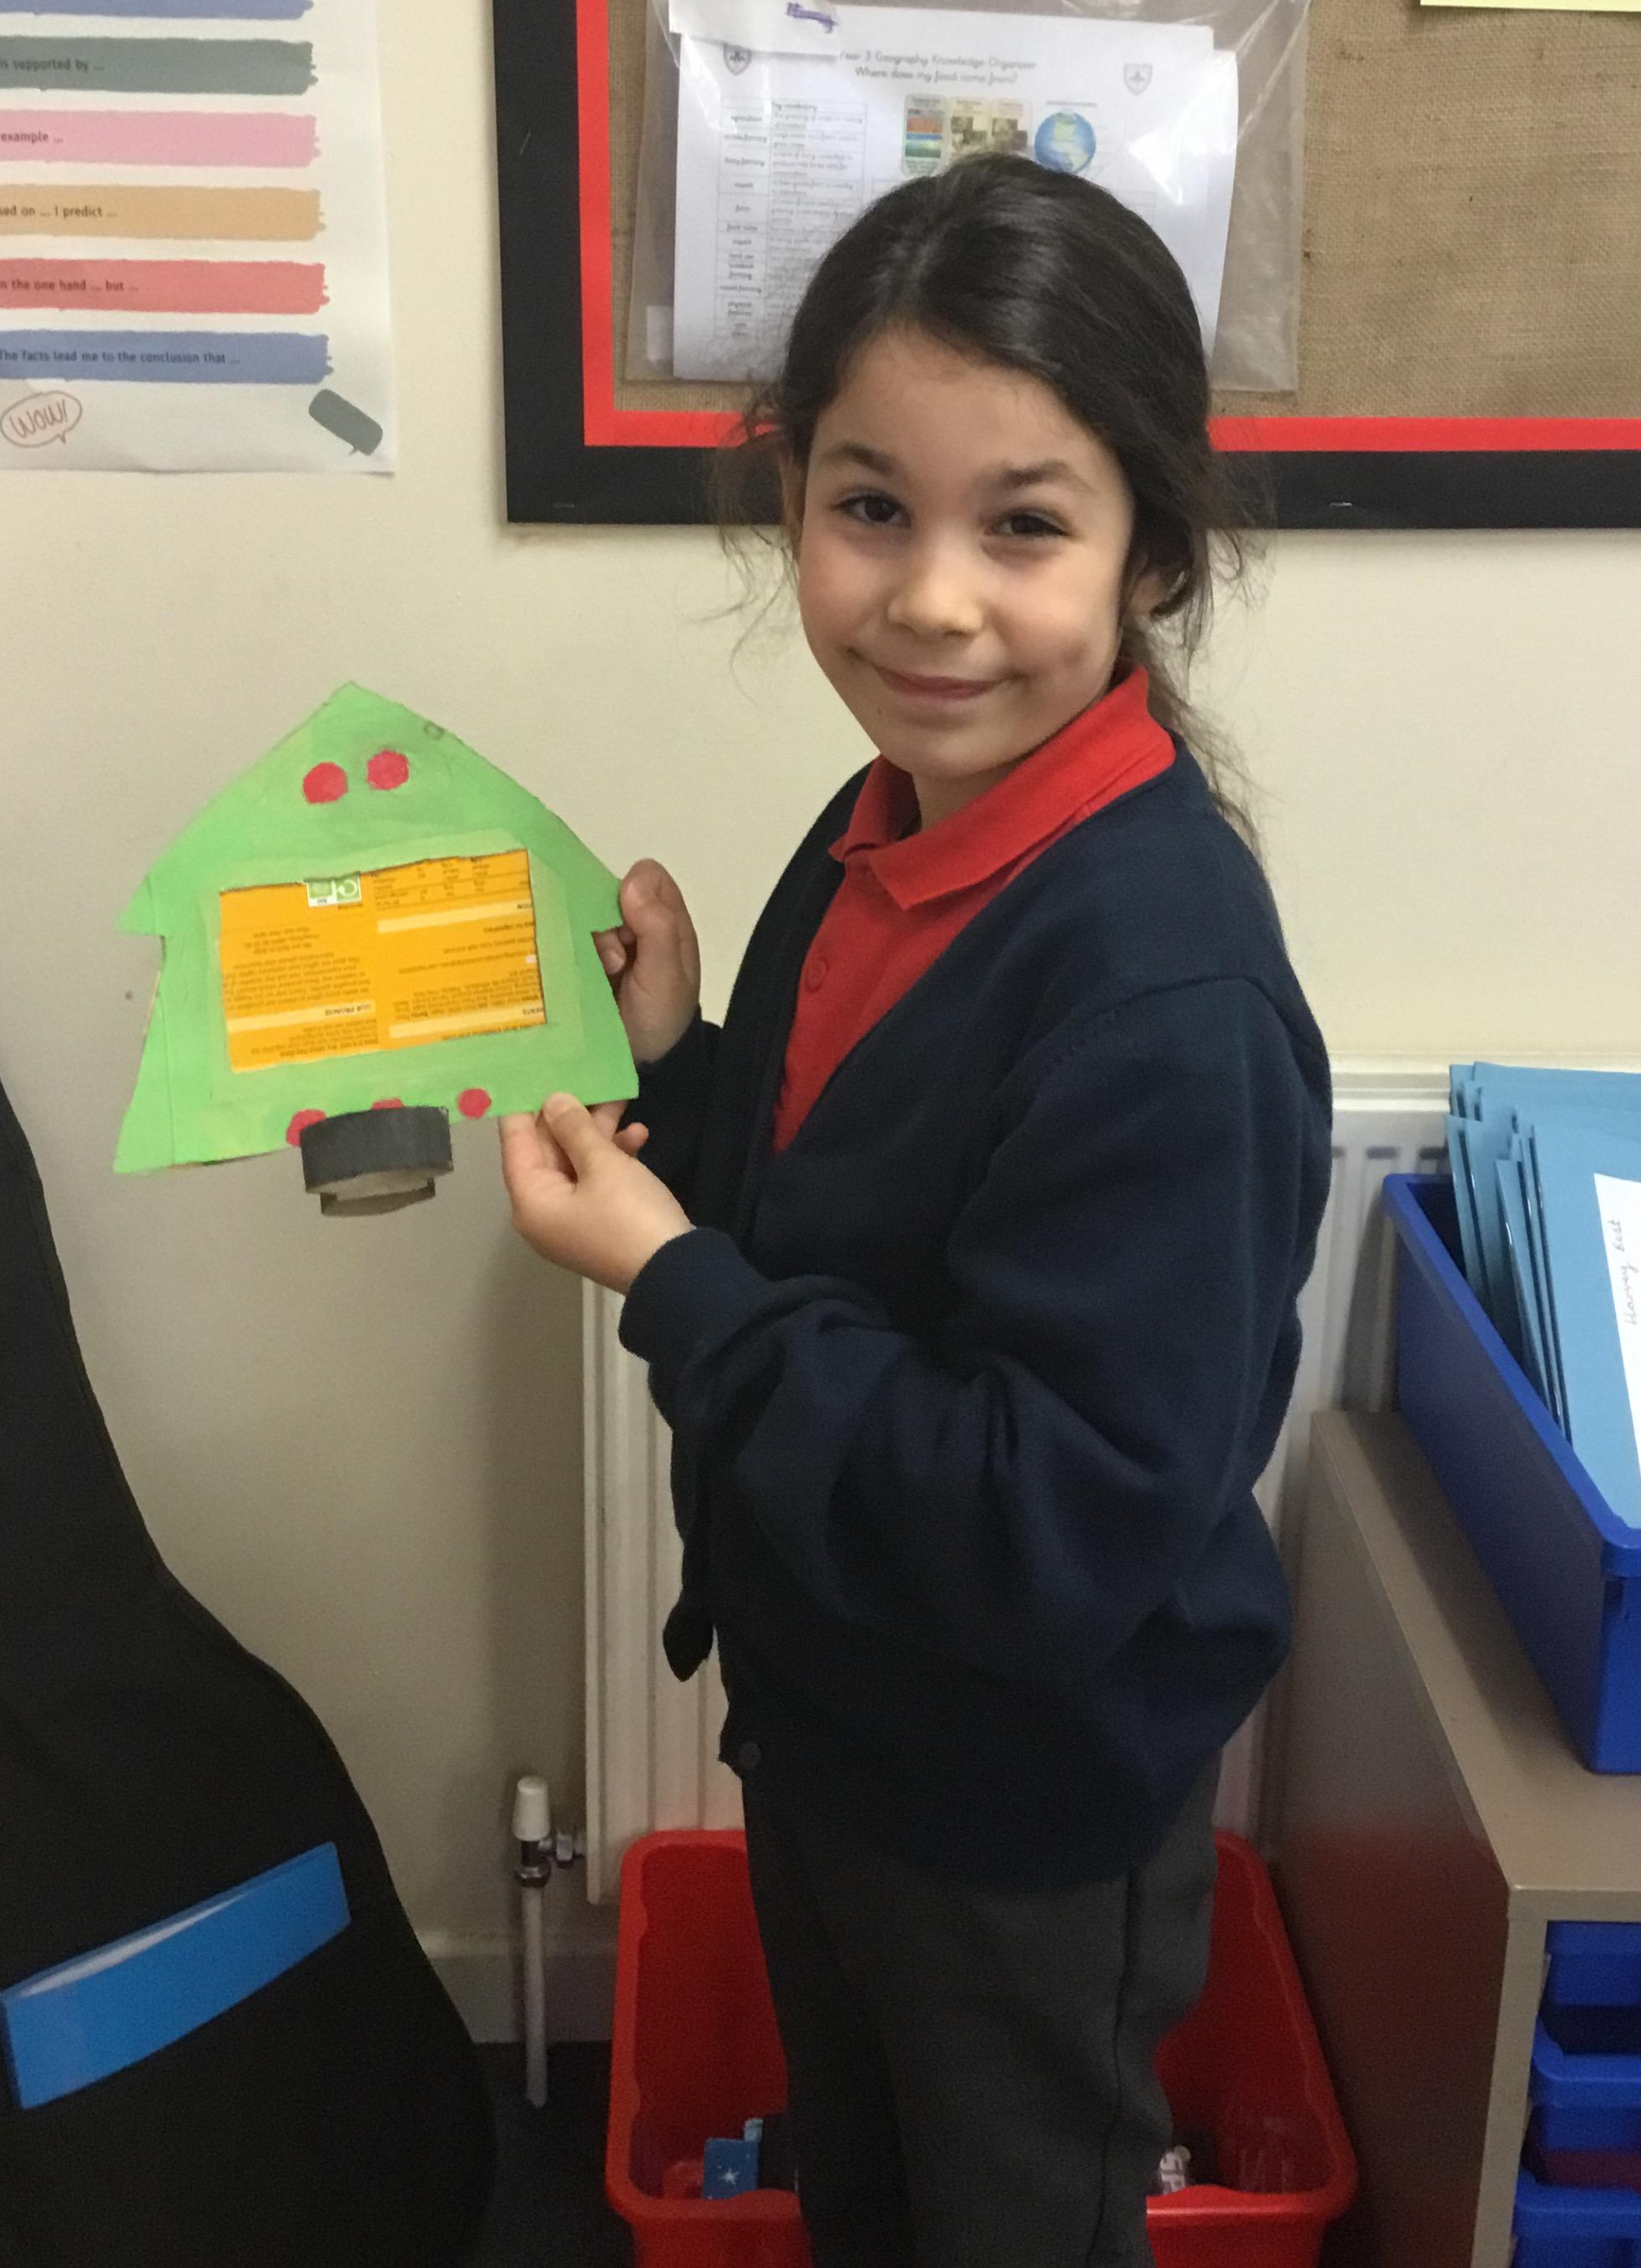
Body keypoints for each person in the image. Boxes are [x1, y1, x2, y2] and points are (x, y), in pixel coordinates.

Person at [499, 155, 1332, 2268]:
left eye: (1024, 525)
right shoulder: (888, 819)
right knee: (865, 2196)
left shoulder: (1164, 998)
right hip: (840, 1728)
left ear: (1151, 549)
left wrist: (673, 1283)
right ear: (791, 499)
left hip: (1020, 1816)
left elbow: (1043, 1523)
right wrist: (687, 1068)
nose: (934, 601)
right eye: (871, 506)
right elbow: (847, 1228)